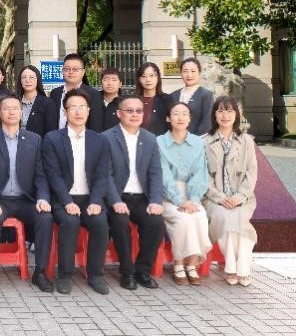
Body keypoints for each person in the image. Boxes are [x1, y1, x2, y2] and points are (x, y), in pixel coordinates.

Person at [0, 93, 54, 292]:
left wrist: (42, 198)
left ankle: (40, 272)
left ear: (21, 112)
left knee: (45, 217)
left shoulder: (34, 139)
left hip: (25, 200)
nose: (11, 112)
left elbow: (41, 175)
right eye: (7, 108)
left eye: (15, 108)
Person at [43, 89, 111, 295]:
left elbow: (102, 175)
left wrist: (96, 201)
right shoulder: (53, 139)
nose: (78, 111)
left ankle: (96, 274)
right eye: (73, 107)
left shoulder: (99, 140)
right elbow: (53, 174)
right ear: (65, 112)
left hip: (90, 199)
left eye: (82, 107)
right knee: (70, 222)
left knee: (100, 222)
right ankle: (65, 275)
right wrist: (67, 201)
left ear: (89, 111)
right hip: (63, 198)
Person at [103, 96, 166, 290]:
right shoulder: (106, 138)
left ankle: (143, 271)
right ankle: (127, 272)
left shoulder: (150, 139)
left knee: (156, 223)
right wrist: (115, 201)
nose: (135, 114)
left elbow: (155, 172)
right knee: (120, 223)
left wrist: (155, 200)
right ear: (119, 114)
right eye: (129, 111)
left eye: (139, 111)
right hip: (117, 197)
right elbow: (104, 174)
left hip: (141, 198)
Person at [203, 96, 257, 287]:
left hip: (242, 199)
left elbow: (251, 173)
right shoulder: (204, 141)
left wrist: (239, 197)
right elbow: (203, 176)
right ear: (214, 115)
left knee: (239, 219)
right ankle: (232, 268)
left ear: (236, 115)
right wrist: (220, 198)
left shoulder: (247, 141)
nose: (225, 115)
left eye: (229, 111)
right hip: (214, 199)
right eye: (220, 111)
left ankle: (241, 269)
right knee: (226, 218)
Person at [157, 101, 212, 285]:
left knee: (199, 217)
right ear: (168, 118)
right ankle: (179, 263)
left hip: (192, 194)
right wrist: (179, 200)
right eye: (175, 114)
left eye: (184, 114)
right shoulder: (160, 142)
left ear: (190, 119)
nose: (180, 118)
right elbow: (163, 175)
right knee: (182, 220)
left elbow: (200, 173)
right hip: (167, 195)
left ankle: (192, 264)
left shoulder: (198, 143)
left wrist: (194, 200)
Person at [49, 53, 104, 132]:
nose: (71, 72)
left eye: (75, 69)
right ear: (62, 71)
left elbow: (95, 126)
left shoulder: (93, 95)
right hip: (57, 138)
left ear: (83, 72)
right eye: (67, 69)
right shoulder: (55, 93)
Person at [170, 57, 214, 135]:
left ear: (199, 73)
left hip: (197, 139)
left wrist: (192, 140)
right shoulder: (173, 95)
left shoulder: (206, 95)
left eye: (193, 71)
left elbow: (207, 123)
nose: (189, 75)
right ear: (181, 73)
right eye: (185, 71)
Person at [15, 65, 58, 137]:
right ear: (20, 80)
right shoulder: (14, 102)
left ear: (38, 80)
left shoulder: (48, 103)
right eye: (24, 77)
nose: (27, 80)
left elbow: (51, 132)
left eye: (31, 77)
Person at [135, 62, 173, 136]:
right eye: (144, 76)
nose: (148, 80)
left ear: (157, 77)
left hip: (159, 141)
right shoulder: (133, 100)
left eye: (151, 76)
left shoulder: (166, 100)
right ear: (139, 79)